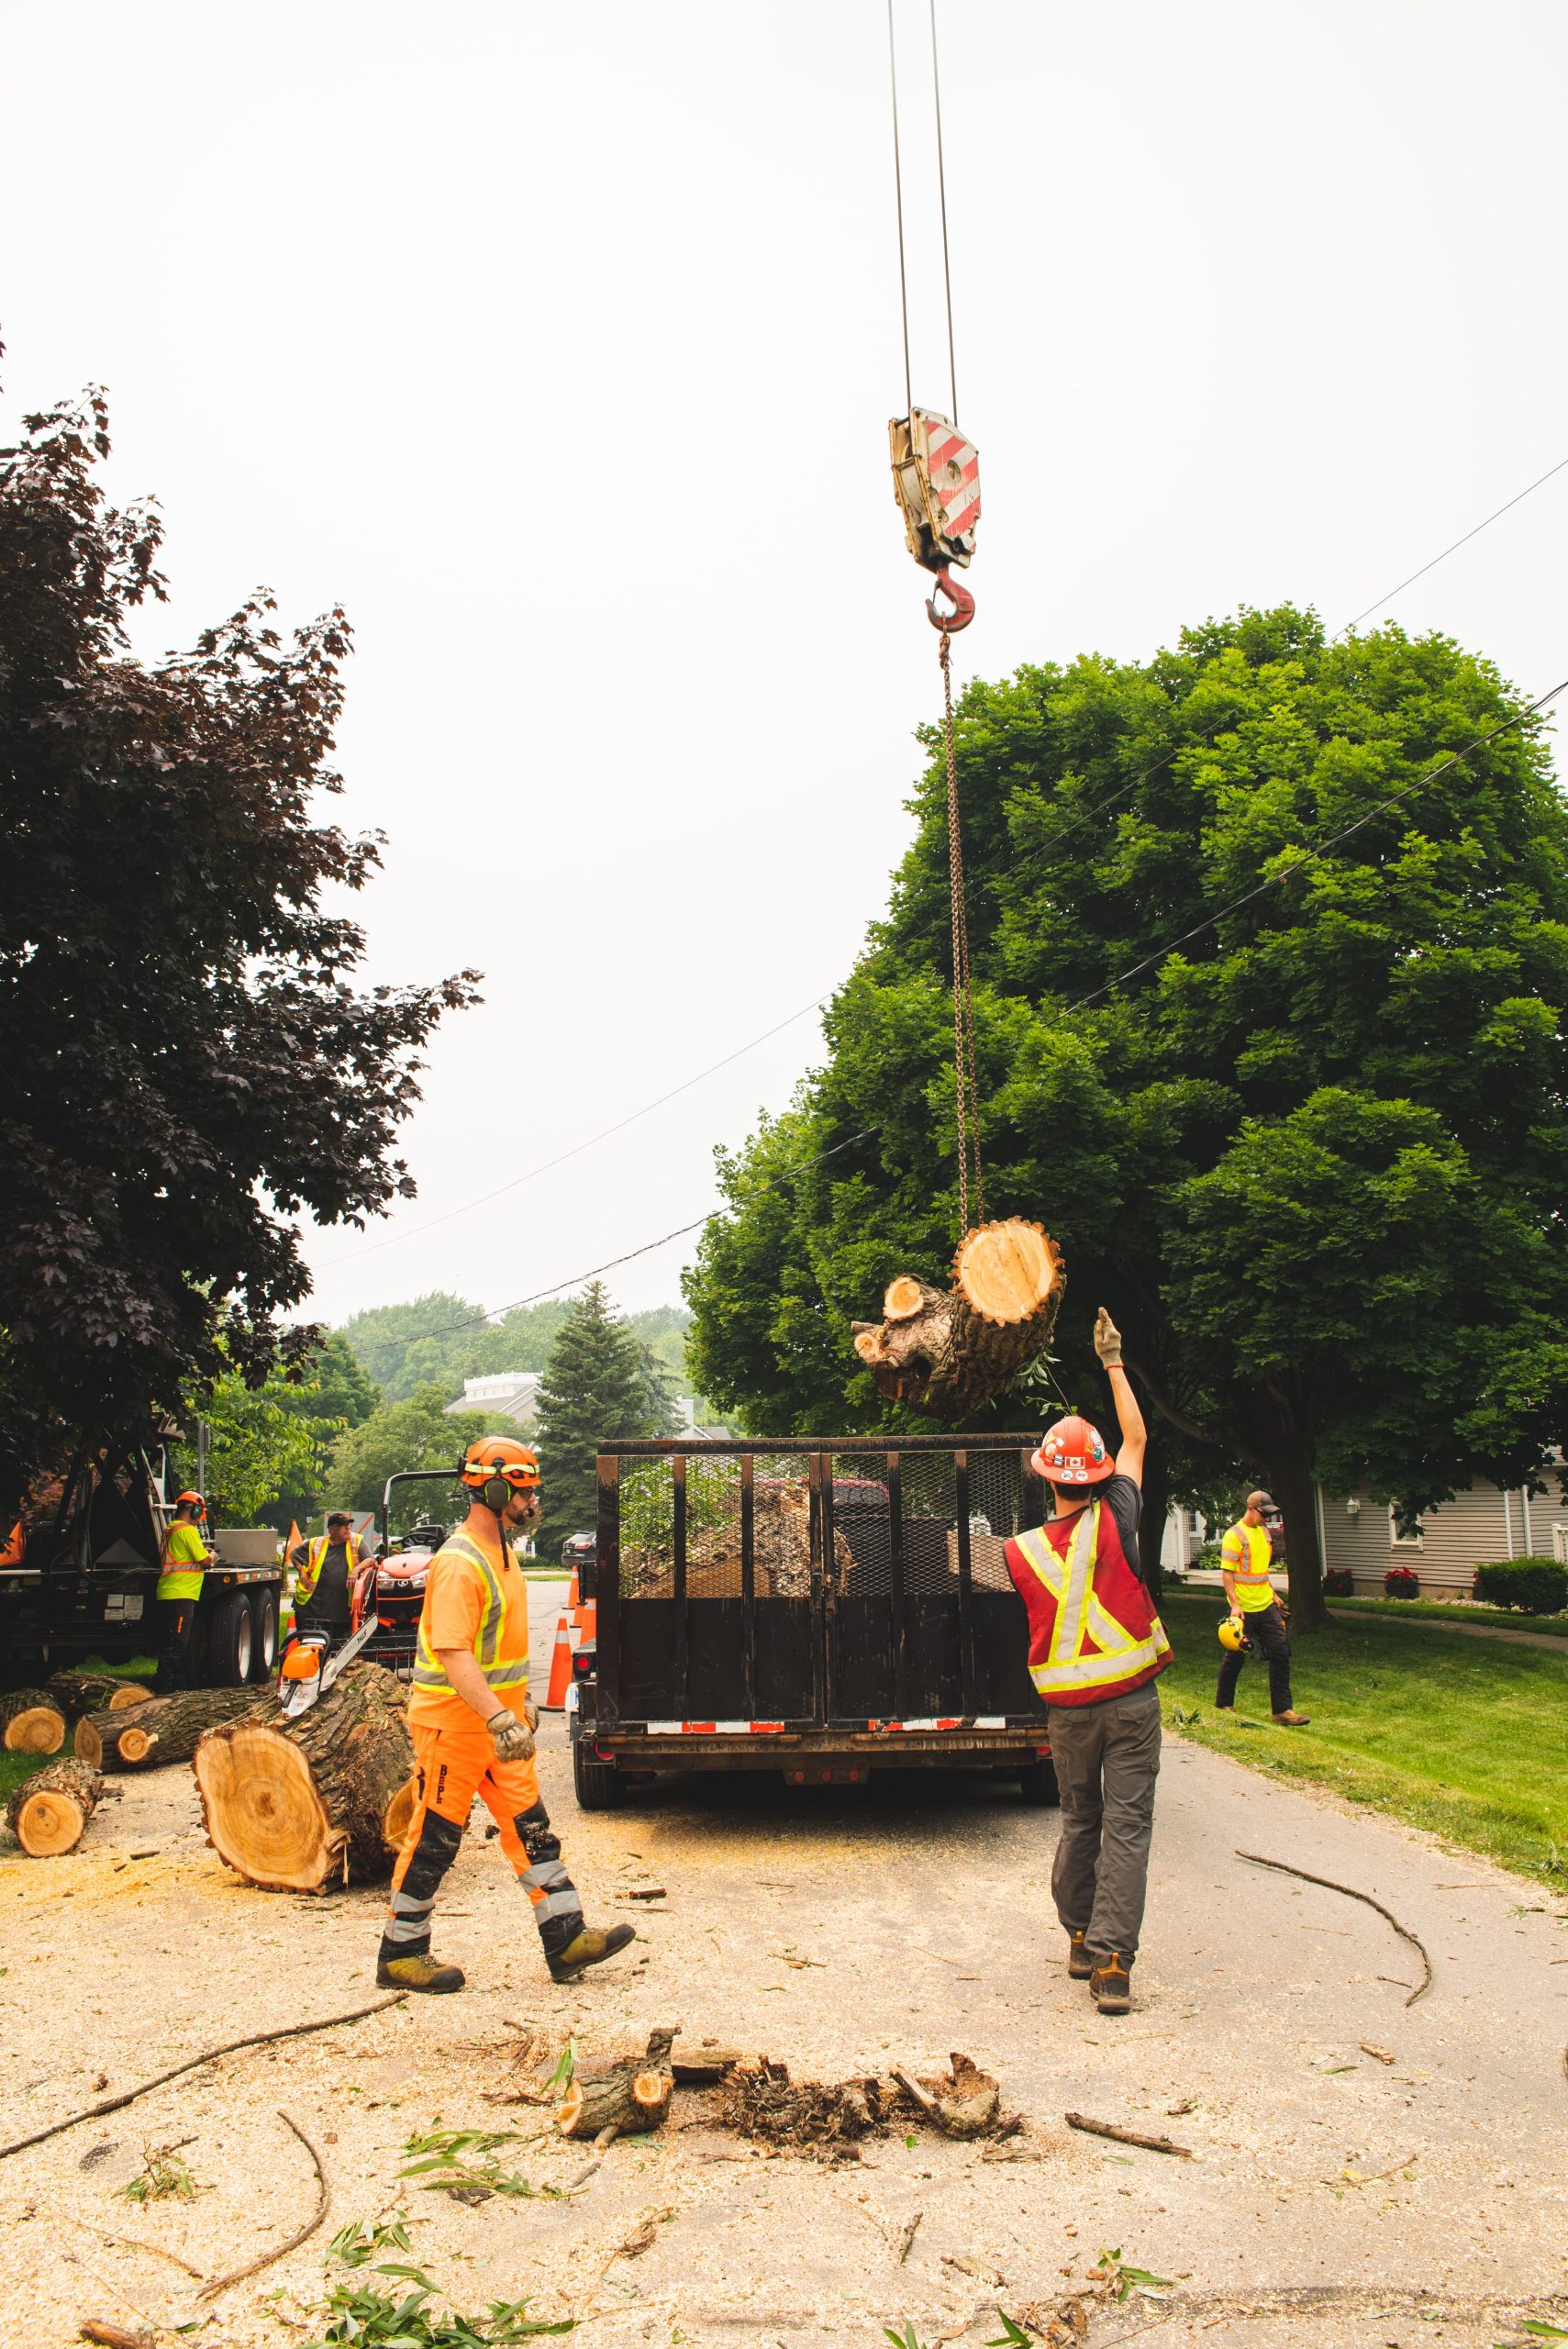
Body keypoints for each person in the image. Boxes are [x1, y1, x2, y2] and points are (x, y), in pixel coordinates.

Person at [377, 1434, 635, 1994]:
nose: (531, 1501)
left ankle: (565, 1938)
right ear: (493, 1488)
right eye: (522, 1490)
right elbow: (452, 1651)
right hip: (454, 1723)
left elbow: (500, 1651)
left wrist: (514, 1706)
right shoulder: (459, 1562)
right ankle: (401, 1953)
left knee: (533, 1830)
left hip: (497, 1726)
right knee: (434, 1837)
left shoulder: (504, 1554)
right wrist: (499, 1716)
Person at [1004, 1308, 1171, 2017]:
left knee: (1080, 1821)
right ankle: (1111, 1964)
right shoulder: (1121, 1514)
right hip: (1131, 1705)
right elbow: (1134, 1436)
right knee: (1126, 1825)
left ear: (1044, 1478)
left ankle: (1076, 1936)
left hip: (1067, 1715)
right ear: (1097, 1476)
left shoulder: (1019, 1552)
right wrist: (1111, 1359)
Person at [1216, 1489, 1309, 1726]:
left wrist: (1274, 1596)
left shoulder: (1265, 1535)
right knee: (1235, 1656)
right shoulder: (1234, 1535)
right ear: (1250, 1508)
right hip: (1243, 1609)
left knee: (1280, 1652)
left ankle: (1282, 1711)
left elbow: (1260, 1573)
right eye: (1263, 1514)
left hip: (1265, 1605)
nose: (1266, 1519)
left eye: (1269, 1515)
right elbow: (1227, 1574)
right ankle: (1224, 1704)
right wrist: (1235, 1605)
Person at [155, 1490, 216, 1691]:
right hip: (181, 1593)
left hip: (169, 1591)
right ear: (196, 1510)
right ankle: (164, 1686)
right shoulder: (187, 1531)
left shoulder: (170, 1529)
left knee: (173, 1641)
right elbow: (205, 1561)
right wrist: (213, 1555)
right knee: (178, 1644)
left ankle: (177, 1686)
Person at [289, 1511, 362, 1638]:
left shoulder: (355, 1541)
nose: (348, 1530)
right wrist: (301, 1570)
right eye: (345, 1527)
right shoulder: (315, 1543)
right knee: (310, 1641)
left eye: (349, 1527)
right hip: (311, 1607)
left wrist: (355, 1570)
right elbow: (293, 1554)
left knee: (337, 1644)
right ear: (333, 1529)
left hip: (341, 1609)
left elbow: (370, 1559)